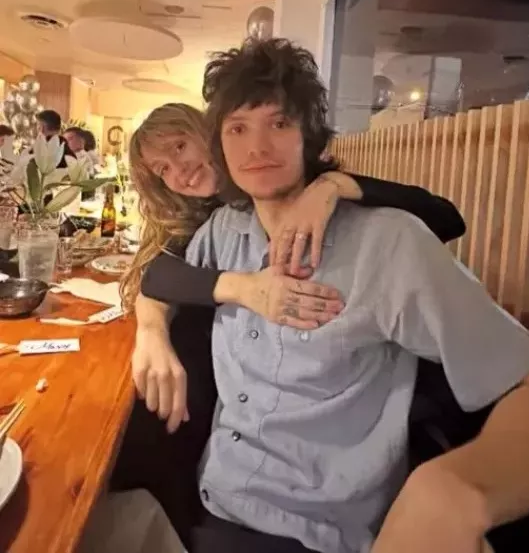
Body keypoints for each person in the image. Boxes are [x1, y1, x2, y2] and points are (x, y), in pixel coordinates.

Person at [133, 39, 529, 553]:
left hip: (315, 530)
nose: (257, 147)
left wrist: (449, 492)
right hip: (215, 496)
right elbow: (159, 276)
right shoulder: (223, 230)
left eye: (278, 123)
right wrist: (154, 328)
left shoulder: (386, 242)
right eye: (238, 129)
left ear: (310, 137)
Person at [112, 102, 467, 547]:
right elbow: (158, 274)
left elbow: (446, 217)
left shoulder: (292, 193)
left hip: (322, 422)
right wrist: (156, 330)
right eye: (163, 168)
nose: (179, 170)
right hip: (234, 402)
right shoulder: (210, 219)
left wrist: (333, 186)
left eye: (180, 147)